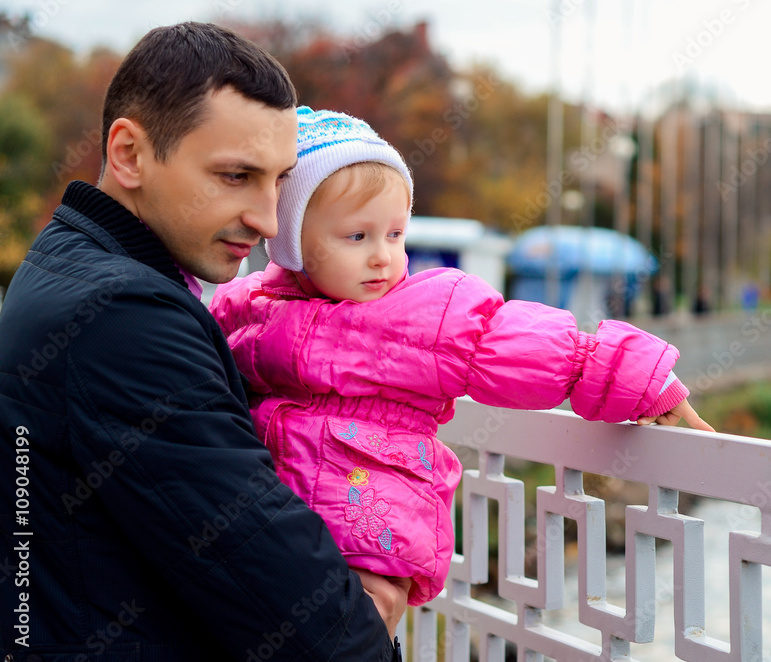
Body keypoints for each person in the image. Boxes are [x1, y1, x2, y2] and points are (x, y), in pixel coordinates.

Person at [210, 109, 715, 624]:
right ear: (292, 242)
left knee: (350, 630)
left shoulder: (426, 312)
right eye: (357, 238)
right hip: (277, 524)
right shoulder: (250, 303)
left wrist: (644, 381)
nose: (383, 257)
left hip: (370, 532)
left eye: (394, 234)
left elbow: (536, 348)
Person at [0, 24, 404, 660]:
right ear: (130, 154)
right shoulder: (123, 315)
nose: (269, 219)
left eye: (279, 180)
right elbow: (281, 595)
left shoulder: (65, 259)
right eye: (236, 175)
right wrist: (364, 632)